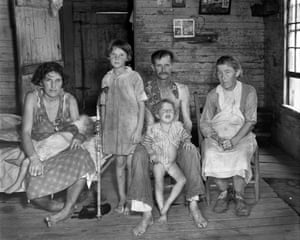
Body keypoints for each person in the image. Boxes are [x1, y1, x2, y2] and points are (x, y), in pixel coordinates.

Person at [128, 49, 208, 236]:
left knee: (191, 151)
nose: (163, 69)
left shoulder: (181, 89)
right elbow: (148, 122)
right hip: (154, 137)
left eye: (167, 65)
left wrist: (187, 138)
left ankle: (194, 205)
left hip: (176, 137)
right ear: (152, 67)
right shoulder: (145, 89)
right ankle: (146, 213)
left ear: (172, 66)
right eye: (159, 65)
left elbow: (187, 120)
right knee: (138, 155)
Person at [17, 61, 96, 227]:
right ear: (41, 81)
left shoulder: (69, 100)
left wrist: (78, 138)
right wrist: (34, 158)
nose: (53, 86)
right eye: (48, 80)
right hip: (41, 149)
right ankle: (65, 206)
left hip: (65, 148)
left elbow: (81, 128)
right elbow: (25, 132)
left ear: (63, 82)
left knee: (83, 156)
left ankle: (66, 211)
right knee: (35, 195)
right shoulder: (32, 98)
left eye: (58, 80)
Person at [200, 56, 258, 217]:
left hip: (242, 134)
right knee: (211, 153)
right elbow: (205, 122)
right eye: (219, 72)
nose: (222, 77)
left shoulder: (249, 91)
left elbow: (251, 120)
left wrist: (234, 141)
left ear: (237, 72)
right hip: (218, 135)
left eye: (227, 72)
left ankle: (239, 196)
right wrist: (217, 139)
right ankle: (223, 193)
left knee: (239, 153)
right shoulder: (213, 94)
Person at [99, 39, 147, 214]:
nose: (117, 58)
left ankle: (130, 201)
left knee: (129, 164)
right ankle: (121, 198)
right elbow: (103, 105)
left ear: (128, 57)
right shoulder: (106, 78)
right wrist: (104, 130)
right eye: (113, 54)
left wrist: (138, 129)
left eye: (121, 55)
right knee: (118, 163)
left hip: (130, 127)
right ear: (108, 57)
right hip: (113, 129)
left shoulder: (134, 77)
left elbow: (142, 104)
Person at [4, 115, 94, 194]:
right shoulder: (69, 127)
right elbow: (57, 127)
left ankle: (17, 183)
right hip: (47, 142)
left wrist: (78, 138)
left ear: (83, 128)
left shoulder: (77, 132)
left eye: (78, 120)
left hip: (50, 149)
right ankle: (21, 158)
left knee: (27, 162)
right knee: (28, 142)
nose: (73, 120)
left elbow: (81, 137)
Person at [143, 99, 198, 223]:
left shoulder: (178, 126)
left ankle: (167, 204)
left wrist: (188, 142)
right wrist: (152, 153)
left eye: (171, 110)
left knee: (182, 180)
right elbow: (146, 143)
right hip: (159, 162)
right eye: (164, 110)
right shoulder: (153, 128)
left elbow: (186, 136)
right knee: (159, 183)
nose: (168, 112)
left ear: (175, 114)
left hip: (171, 163)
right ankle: (163, 212)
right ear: (157, 114)